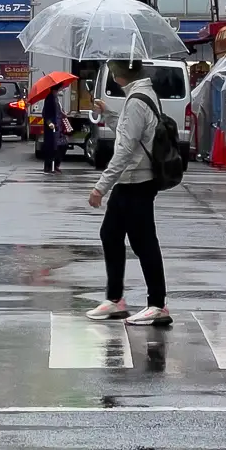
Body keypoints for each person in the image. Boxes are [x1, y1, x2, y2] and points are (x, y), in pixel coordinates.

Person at [86, 60, 171, 326]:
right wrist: (109, 113)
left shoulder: (136, 99)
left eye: (112, 71)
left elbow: (124, 150)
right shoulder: (139, 94)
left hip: (137, 180)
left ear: (121, 73)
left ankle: (157, 304)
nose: (112, 75)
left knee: (144, 243)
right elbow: (129, 133)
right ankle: (115, 300)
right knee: (110, 235)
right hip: (131, 180)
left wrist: (101, 186)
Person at [40, 86, 68, 177]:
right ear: (54, 90)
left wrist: (62, 114)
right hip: (52, 128)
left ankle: (56, 165)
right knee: (51, 147)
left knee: (62, 146)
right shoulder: (49, 99)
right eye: (57, 90)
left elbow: (58, 111)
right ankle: (48, 167)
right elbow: (45, 113)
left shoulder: (56, 99)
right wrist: (49, 123)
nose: (58, 91)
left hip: (58, 127)